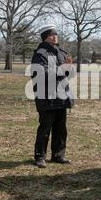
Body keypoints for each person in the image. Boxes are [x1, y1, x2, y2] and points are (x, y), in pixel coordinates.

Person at [30, 24, 75, 168]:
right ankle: (39, 157)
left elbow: (68, 74)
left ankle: (58, 155)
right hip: (46, 96)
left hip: (61, 95)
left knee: (61, 128)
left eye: (56, 34)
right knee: (45, 128)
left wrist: (70, 69)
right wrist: (62, 69)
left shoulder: (61, 52)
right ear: (45, 37)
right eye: (52, 35)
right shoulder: (40, 54)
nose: (55, 36)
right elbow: (41, 74)